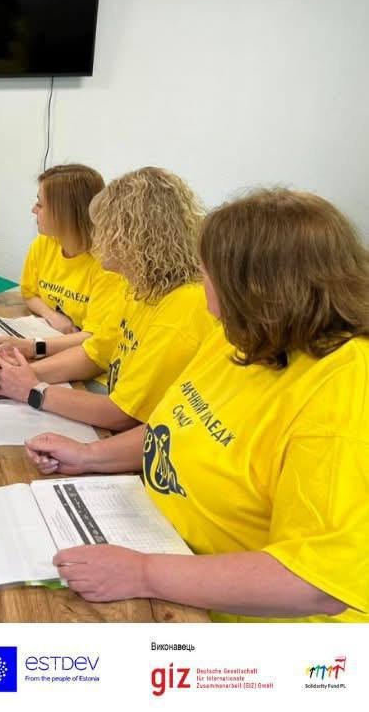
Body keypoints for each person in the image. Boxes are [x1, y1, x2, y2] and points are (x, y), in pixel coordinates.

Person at [24, 188, 369, 623]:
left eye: (206, 274)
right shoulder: (241, 335)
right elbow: (176, 428)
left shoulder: (343, 393)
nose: (202, 289)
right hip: (159, 547)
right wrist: (89, 455)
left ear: (255, 288)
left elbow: (315, 584)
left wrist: (144, 573)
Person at [0, 167, 215, 431]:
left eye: (101, 228)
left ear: (130, 237)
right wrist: (21, 374)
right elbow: (95, 354)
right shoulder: (138, 286)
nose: (94, 236)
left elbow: (124, 414)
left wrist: (33, 390)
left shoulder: (182, 307)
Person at [0, 163, 125, 361]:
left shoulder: (109, 264)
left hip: (91, 362)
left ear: (65, 212)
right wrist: (52, 316)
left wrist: (33, 346)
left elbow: (96, 338)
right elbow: (29, 293)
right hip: (54, 346)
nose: (33, 210)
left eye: (40, 204)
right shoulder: (44, 244)